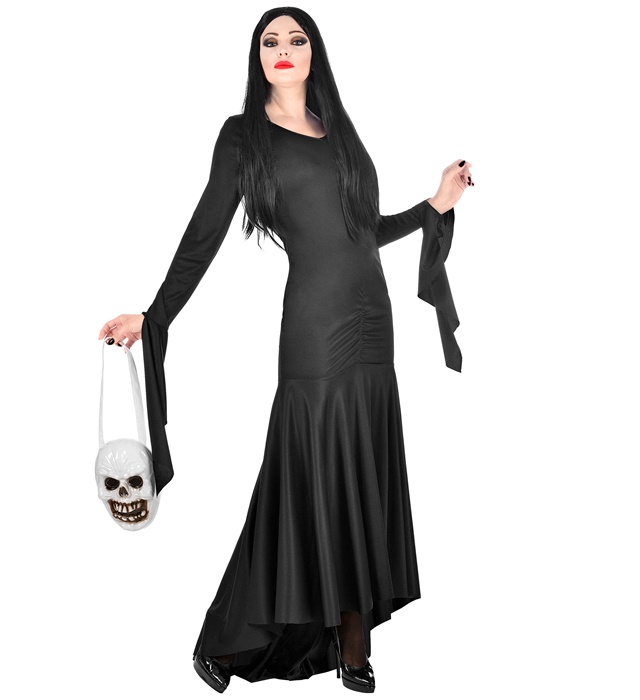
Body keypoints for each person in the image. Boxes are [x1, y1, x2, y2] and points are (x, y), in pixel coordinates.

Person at [97, 6, 473, 694]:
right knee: (301, 480)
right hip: (314, 329)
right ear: (258, 57)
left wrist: (436, 205)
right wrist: (154, 315)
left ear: (313, 53)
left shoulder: (337, 129)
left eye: (297, 39)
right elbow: (203, 236)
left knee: (361, 474)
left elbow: (363, 229)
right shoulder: (243, 136)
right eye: (270, 40)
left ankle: (354, 645)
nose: (284, 49)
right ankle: (228, 639)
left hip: (373, 327)